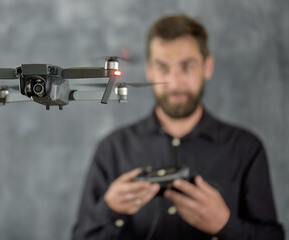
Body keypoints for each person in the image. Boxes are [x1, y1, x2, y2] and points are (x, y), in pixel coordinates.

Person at [72, 15, 284, 239]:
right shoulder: (112, 149)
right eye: (163, 67)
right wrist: (109, 209)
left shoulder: (246, 148)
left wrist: (225, 225)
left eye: (187, 66)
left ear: (207, 66)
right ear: (149, 71)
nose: (174, 82)